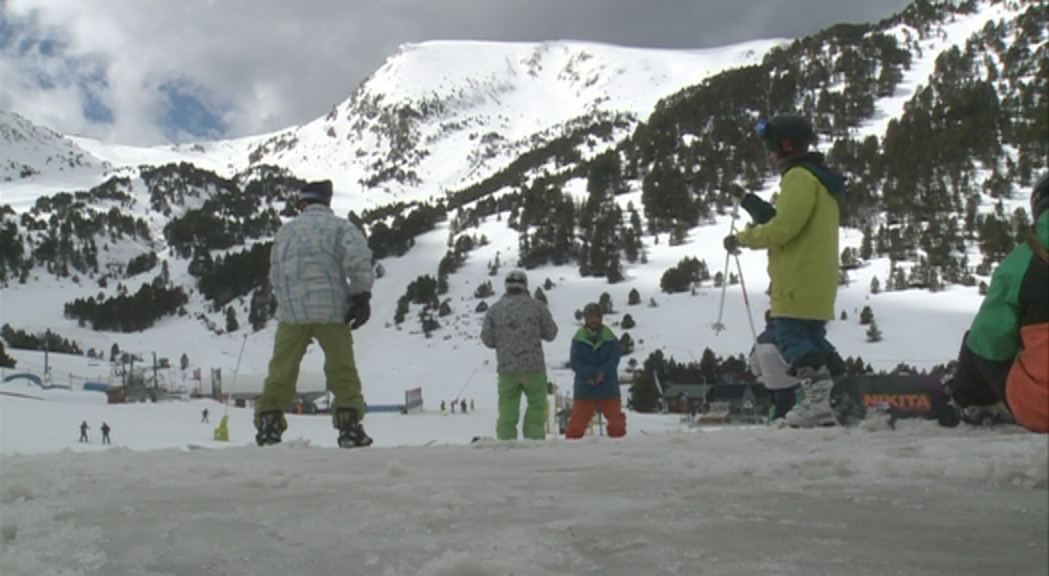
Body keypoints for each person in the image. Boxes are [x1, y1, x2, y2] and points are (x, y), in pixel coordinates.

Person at [724, 114, 847, 428]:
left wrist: (742, 238)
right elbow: (782, 216)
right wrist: (748, 201)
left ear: (787, 145)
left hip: (797, 277)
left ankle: (818, 401)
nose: (770, 154)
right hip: (818, 278)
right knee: (812, 338)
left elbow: (783, 228)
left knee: (790, 337)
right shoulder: (818, 179)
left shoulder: (799, 178)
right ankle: (842, 391)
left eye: (772, 146)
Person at [254, 180, 375, 448]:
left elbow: (275, 273)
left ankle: (269, 424)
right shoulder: (342, 227)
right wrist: (361, 295)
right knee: (341, 369)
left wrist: (285, 302)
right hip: (333, 311)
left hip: (293, 314)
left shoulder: (286, 232)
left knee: (281, 370)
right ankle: (349, 426)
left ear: (302, 203)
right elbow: (358, 257)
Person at [946, 172, 1048, 433]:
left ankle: (974, 402)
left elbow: (990, 338)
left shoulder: (1026, 260)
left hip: (1041, 408)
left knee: (978, 340)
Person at [480, 269, 559, 440]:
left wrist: (503, 341)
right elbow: (551, 333)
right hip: (533, 369)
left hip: (507, 370)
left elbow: (487, 339)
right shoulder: (537, 306)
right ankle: (534, 441)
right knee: (537, 408)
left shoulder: (494, 310)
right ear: (525, 285)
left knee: (507, 410)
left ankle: (506, 444)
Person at [566, 303, 626, 439]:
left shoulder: (611, 338)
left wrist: (602, 373)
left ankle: (620, 454)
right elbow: (575, 362)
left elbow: (614, 360)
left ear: (601, 318)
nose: (594, 320)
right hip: (585, 388)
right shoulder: (578, 338)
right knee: (575, 429)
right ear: (585, 318)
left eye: (597, 316)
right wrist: (592, 374)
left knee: (617, 426)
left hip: (608, 388)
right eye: (590, 316)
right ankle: (570, 457)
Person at [748, 310, 801, 421]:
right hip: (789, 381)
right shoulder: (783, 337)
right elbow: (788, 360)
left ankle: (775, 420)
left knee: (777, 407)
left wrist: (761, 375)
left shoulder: (759, 339)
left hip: (769, 382)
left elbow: (754, 364)